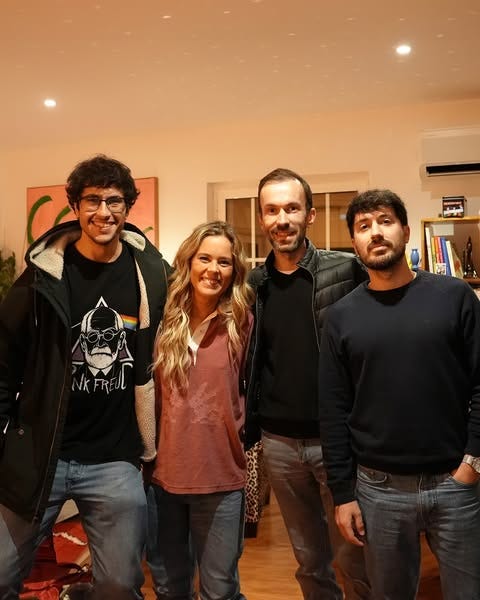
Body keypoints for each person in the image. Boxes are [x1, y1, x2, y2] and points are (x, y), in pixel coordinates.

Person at [0, 154, 170, 600]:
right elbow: (3, 365)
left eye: (114, 201)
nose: (103, 212)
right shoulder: (41, 279)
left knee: (120, 585)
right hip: (43, 455)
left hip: (115, 459)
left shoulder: (152, 275)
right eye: (92, 200)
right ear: (74, 206)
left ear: (128, 207)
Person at [318, 189, 480, 600]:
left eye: (385, 221)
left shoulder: (455, 296)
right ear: (354, 242)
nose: (375, 232)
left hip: (455, 483)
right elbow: (334, 409)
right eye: (364, 226)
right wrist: (343, 494)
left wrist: (473, 462)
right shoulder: (340, 317)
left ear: (406, 231)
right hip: (378, 490)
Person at [245, 168, 370, 599]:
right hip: (279, 444)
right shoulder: (253, 285)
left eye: (292, 208)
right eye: (272, 210)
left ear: (310, 215)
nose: (282, 219)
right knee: (309, 561)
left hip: (339, 441)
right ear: (262, 218)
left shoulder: (347, 270)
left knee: (355, 556)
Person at [146, 221, 254, 600]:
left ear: (234, 270)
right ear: (188, 262)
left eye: (224, 262)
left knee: (220, 590)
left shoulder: (243, 322)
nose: (213, 269)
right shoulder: (161, 319)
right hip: (161, 479)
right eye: (204, 258)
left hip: (221, 478)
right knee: (169, 588)